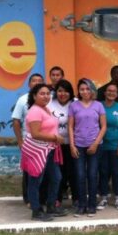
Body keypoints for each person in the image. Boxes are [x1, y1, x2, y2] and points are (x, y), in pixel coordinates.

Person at [20, 83, 67, 221]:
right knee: (35, 180)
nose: (46, 96)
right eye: (42, 93)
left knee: (56, 178)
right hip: (37, 150)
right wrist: (55, 137)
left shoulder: (45, 109)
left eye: (48, 93)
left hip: (49, 150)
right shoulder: (34, 111)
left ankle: (51, 205)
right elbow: (35, 133)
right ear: (34, 96)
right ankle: (36, 210)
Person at [69, 78, 107, 217]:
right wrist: (72, 146)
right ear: (78, 91)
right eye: (81, 89)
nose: (84, 91)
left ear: (92, 90)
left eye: (87, 89)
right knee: (79, 176)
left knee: (92, 175)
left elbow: (103, 126)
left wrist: (96, 143)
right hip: (78, 145)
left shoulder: (98, 105)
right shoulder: (74, 106)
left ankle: (92, 204)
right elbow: (70, 126)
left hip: (95, 146)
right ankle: (81, 205)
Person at [11, 73, 44, 205]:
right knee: (29, 171)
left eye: (39, 81)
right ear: (29, 84)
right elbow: (16, 121)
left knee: (43, 171)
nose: (36, 83)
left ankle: (41, 198)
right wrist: (20, 141)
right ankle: (29, 199)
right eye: (34, 81)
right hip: (28, 141)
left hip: (45, 142)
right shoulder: (22, 100)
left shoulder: (47, 98)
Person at [47, 79, 77, 207]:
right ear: (56, 92)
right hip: (55, 145)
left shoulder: (75, 104)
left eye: (66, 91)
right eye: (60, 91)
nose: (62, 94)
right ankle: (56, 199)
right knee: (57, 174)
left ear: (70, 93)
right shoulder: (49, 104)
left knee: (74, 173)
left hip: (73, 145)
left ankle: (77, 199)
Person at [98, 83, 118, 211]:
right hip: (101, 145)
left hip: (116, 145)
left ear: (117, 94)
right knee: (103, 172)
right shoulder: (99, 106)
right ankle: (104, 198)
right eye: (109, 91)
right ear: (105, 93)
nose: (111, 93)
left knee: (116, 172)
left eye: (114, 91)